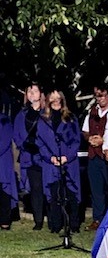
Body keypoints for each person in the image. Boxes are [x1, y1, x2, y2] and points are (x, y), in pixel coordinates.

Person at [36, 89, 81, 234]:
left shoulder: (71, 118)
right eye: (52, 98)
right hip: (51, 163)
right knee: (54, 194)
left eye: (58, 98)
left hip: (69, 162)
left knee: (71, 193)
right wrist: (51, 158)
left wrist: (67, 157)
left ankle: (73, 224)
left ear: (62, 99)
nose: (56, 100)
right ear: (48, 100)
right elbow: (40, 142)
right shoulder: (42, 120)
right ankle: (56, 225)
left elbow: (76, 140)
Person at [81, 83, 108, 231]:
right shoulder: (92, 111)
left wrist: (102, 140)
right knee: (96, 190)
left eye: (101, 95)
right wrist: (90, 138)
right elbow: (85, 130)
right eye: (96, 96)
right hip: (94, 156)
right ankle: (97, 219)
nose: (99, 99)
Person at [13, 82, 46, 230]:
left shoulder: (47, 112)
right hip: (30, 156)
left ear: (41, 94)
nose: (32, 94)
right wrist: (24, 144)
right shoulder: (22, 114)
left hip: (46, 156)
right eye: (29, 91)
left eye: (35, 91)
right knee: (35, 188)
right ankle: (38, 220)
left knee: (50, 188)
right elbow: (17, 134)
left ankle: (53, 217)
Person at [0, 111, 18, 230]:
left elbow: (5, 141)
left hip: (2, 160)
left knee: (4, 190)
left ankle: (4, 220)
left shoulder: (4, 120)